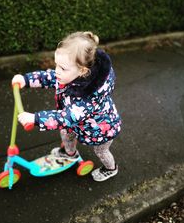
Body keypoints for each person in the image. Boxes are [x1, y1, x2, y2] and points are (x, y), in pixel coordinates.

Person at [12, 31, 122, 182]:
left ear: (83, 71)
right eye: (56, 64)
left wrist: (35, 118)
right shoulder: (69, 74)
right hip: (77, 123)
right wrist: (26, 80)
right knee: (66, 133)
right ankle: (70, 154)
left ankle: (111, 168)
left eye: (62, 68)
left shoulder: (88, 98)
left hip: (101, 128)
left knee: (101, 151)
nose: (57, 70)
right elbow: (48, 77)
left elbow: (65, 117)